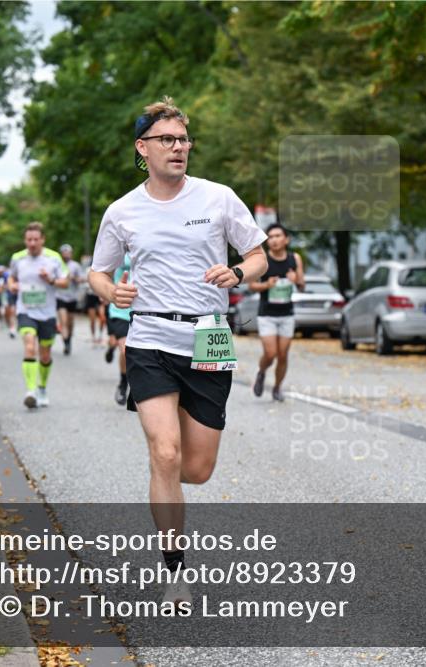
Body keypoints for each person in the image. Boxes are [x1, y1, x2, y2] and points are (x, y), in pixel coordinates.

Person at [88, 96, 266, 606]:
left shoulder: (218, 198)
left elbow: (256, 256)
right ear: (142, 148)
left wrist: (236, 273)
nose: (179, 147)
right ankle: (175, 572)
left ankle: (165, 475)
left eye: (184, 139)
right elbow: (99, 271)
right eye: (167, 139)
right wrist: (109, 292)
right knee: (164, 451)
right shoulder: (123, 212)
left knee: (196, 469)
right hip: (149, 340)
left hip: (208, 338)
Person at [8, 222, 69, 409]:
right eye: (29, 239)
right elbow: (11, 278)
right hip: (25, 310)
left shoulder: (54, 258)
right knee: (29, 345)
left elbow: (65, 283)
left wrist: (50, 279)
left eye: (36, 239)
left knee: (45, 354)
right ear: (25, 240)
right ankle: (31, 391)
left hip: (48, 313)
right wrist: (12, 285)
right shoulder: (17, 258)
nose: (32, 243)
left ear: (42, 239)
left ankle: (42, 387)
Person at [249, 223, 304, 402]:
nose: (273, 240)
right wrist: (267, 285)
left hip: (287, 314)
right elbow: (252, 286)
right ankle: (262, 371)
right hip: (267, 314)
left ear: (286, 239)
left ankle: (277, 387)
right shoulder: (263, 260)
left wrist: (296, 280)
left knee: (282, 355)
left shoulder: (294, 259)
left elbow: (302, 286)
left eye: (277, 236)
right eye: (270, 237)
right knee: (271, 353)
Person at [104, 255, 132, 405]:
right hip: (121, 310)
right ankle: (123, 384)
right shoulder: (120, 251)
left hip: (145, 311)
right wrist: (107, 291)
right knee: (126, 350)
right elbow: (102, 274)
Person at [55, 243, 84, 355]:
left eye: (68, 252)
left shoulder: (75, 266)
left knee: (70, 323)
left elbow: (82, 279)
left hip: (72, 297)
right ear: (61, 254)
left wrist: (74, 278)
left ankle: (69, 340)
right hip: (60, 296)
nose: (66, 254)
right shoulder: (57, 265)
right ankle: (66, 342)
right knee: (63, 321)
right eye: (64, 252)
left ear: (71, 253)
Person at [81, 254, 106, 345]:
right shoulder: (88, 270)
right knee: (92, 319)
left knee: (102, 317)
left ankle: (100, 335)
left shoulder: (103, 269)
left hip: (100, 297)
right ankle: (93, 337)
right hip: (91, 296)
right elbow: (85, 283)